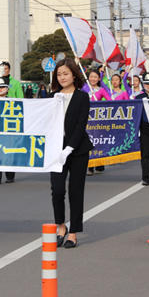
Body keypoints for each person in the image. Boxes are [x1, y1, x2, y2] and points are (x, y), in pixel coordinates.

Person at [50, 58, 93, 249]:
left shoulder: (82, 97)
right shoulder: (52, 97)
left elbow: (80, 126)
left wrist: (69, 149)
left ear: (74, 75)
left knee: (76, 191)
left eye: (65, 73)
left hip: (78, 151)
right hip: (56, 152)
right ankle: (60, 226)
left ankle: (73, 232)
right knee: (57, 190)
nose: (62, 77)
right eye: (59, 74)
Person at [0, 77, 17, 185]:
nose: (0, 89)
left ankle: (10, 176)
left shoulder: (13, 101)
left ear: (7, 88)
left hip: (9, 131)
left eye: (3, 87)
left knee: (8, 153)